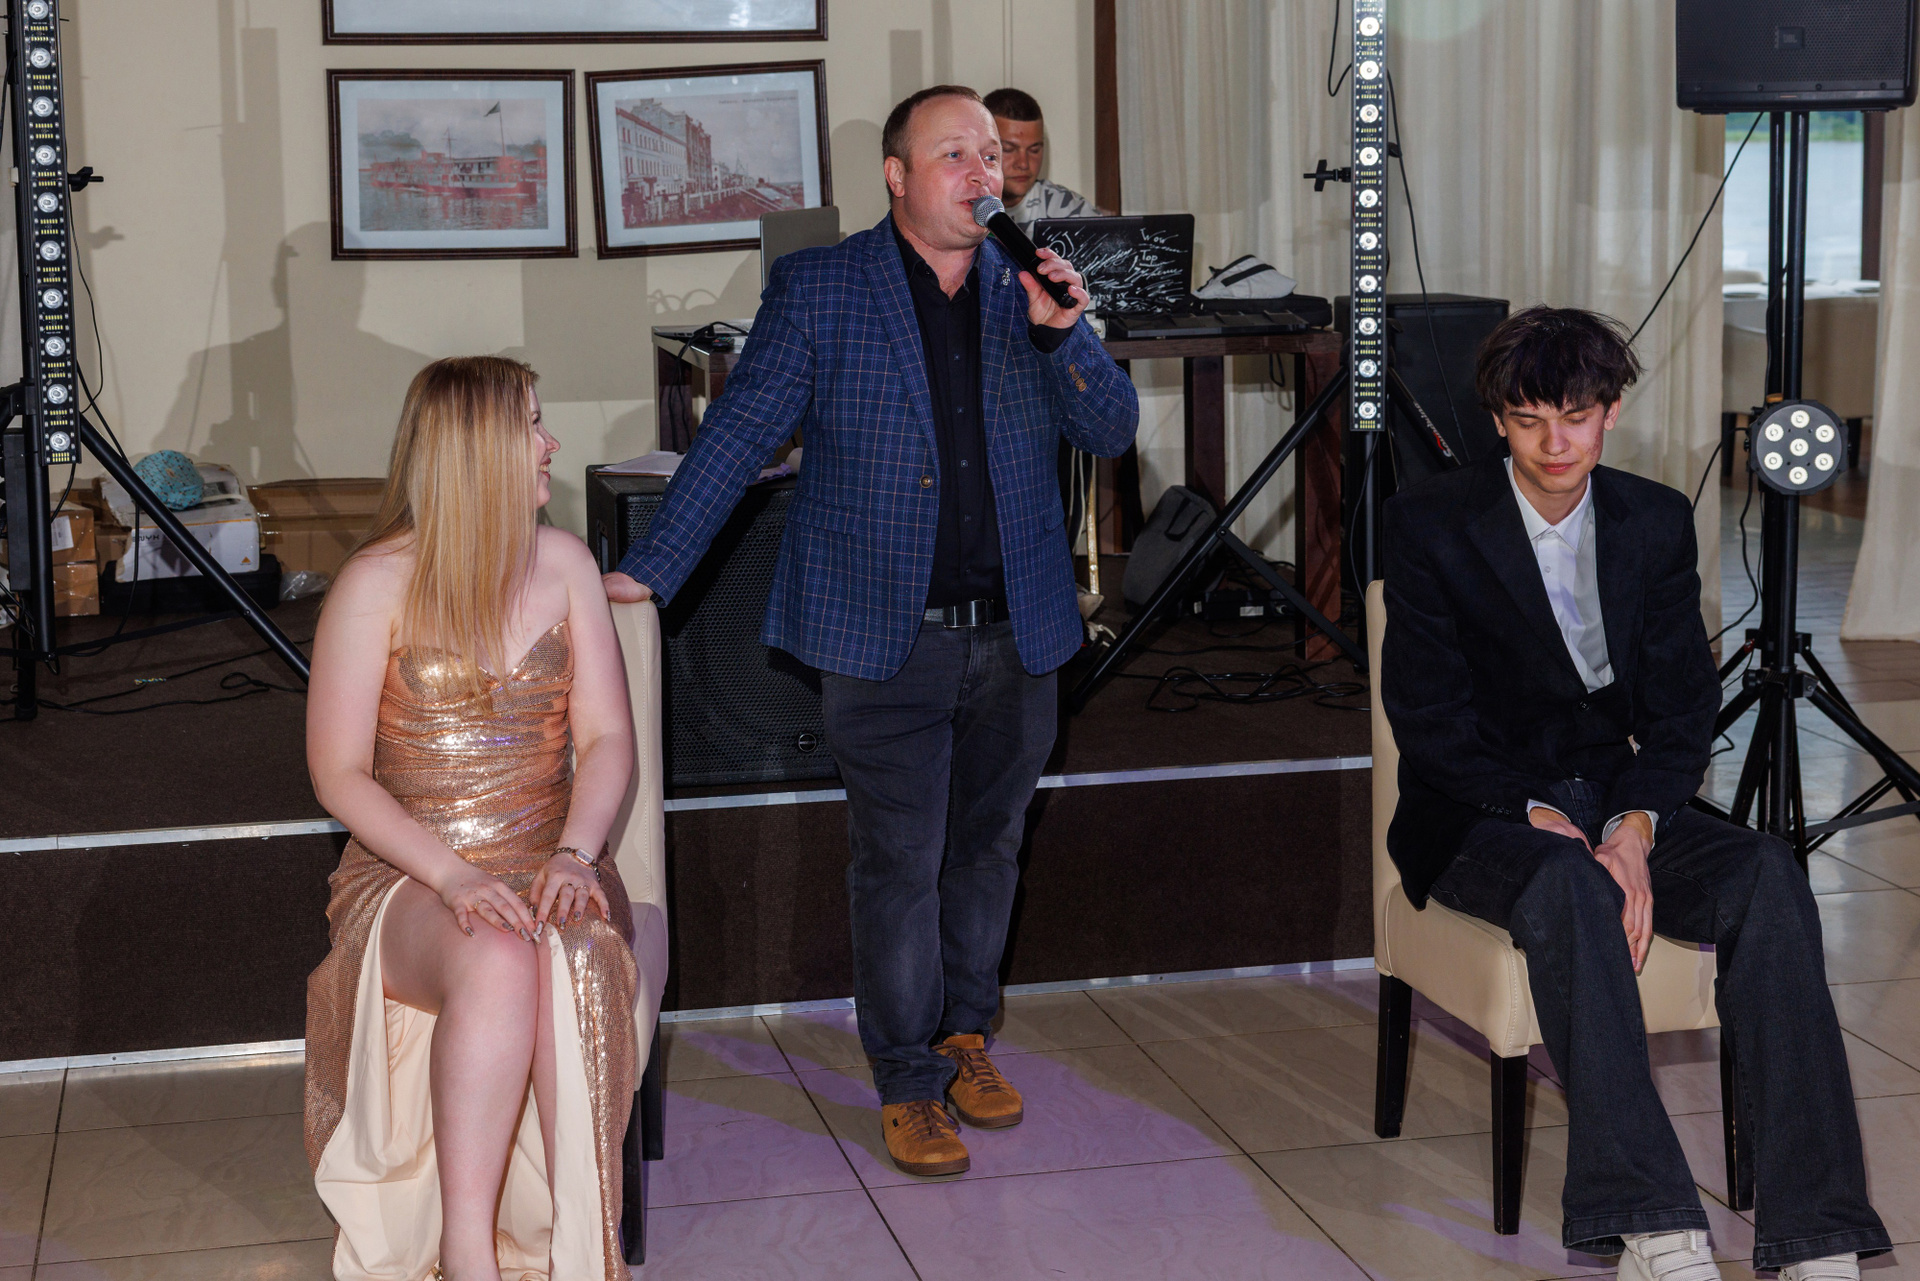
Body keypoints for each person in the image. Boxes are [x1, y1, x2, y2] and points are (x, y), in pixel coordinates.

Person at [602, 84, 1137, 1177]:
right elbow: (738, 436)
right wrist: (644, 576)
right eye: (955, 155)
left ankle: (964, 1035)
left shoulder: (1029, 290)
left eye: (992, 155)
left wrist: (1066, 337)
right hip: (887, 634)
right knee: (900, 858)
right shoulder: (823, 286)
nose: (983, 174)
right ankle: (905, 1077)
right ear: (897, 176)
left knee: (989, 848)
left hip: (1020, 632)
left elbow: (1112, 430)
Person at [1381, 306, 1889, 1281]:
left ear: (1611, 412)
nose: (1555, 444)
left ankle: (1818, 1230)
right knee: (1570, 885)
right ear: (1497, 420)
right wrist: (1547, 819)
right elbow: (1430, 721)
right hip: (1481, 809)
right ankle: (1652, 1224)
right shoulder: (1431, 523)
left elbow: (1682, 707)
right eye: (1529, 421)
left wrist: (1635, 825)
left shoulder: (1652, 519)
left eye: (1576, 417)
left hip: (1613, 792)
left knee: (1768, 874)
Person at [304, 356, 640, 1281]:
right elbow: (337, 774)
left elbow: (609, 738)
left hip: (551, 852)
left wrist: (578, 853)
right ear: (476, 449)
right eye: (531, 424)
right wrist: (454, 875)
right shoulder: (374, 582)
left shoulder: (564, 563)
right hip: (409, 871)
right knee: (494, 951)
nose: (551, 442)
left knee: (562, 949)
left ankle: (578, 1247)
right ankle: (467, 1254)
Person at [983, 87, 1101, 232]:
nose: (1023, 164)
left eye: (1034, 150)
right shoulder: (962, 207)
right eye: (1008, 149)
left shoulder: (1069, 211)